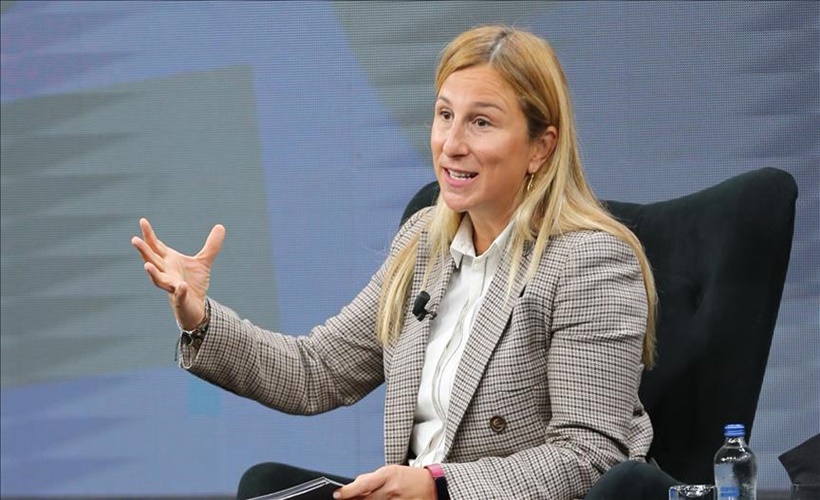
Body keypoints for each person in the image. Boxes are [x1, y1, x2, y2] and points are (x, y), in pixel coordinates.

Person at [132, 26, 674, 499]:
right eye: (445, 115)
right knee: (266, 483)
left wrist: (438, 486)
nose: (451, 144)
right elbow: (315, 372)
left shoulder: (590, 263)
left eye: (481, 123)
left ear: (541, 148)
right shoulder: (423, 243)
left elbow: (588, 455)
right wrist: (200, 316)